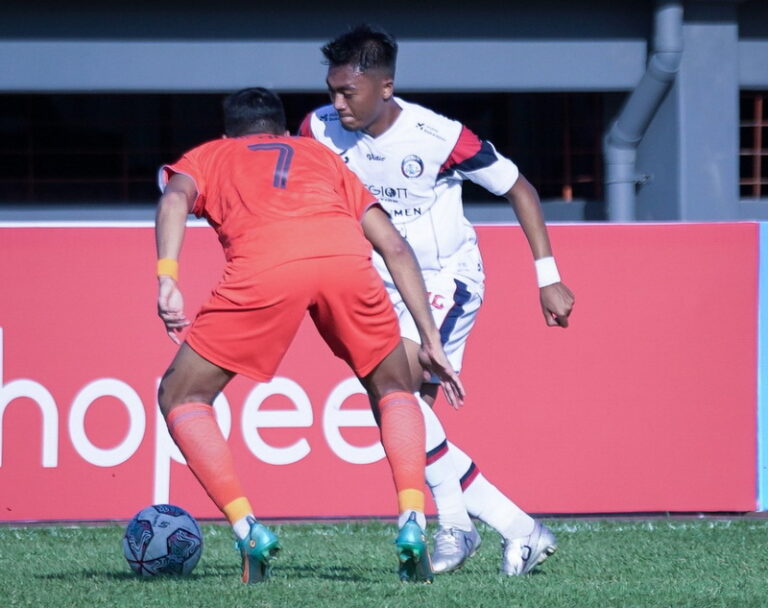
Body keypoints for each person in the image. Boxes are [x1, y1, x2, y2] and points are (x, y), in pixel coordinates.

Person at [154, 87, 466, 584]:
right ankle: (412, 519)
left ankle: (247, 528)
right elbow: (394, 247)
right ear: (280, 129)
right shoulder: (323, 156)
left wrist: (167, 274)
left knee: (181, 394)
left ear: (227, 131)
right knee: (394, 388)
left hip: (265, 268)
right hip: (345, 262)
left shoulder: (209, 154)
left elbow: (174, 196)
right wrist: (430, 339)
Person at [299, 24, 575, 576]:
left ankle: (456, 525)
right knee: (399, 414)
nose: (336, 104)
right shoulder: (317, 129)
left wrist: (547, 275)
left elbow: (520, 187)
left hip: (445, 282)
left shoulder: (438, 136)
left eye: (347, 92)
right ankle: (520, 529)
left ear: (385, 87)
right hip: (376, 288)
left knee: (398, 401)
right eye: (331, 90)